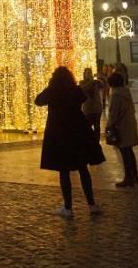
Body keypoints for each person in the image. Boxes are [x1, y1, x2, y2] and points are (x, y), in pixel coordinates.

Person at [35, 66, 105, 218]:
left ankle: (68, 207)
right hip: (78, 130)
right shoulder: (75, 89)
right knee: (83, 168)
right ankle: (92, 204)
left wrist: (51, 88)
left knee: (64, 170)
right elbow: (84, 98)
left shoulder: (52, 90)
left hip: (59, 132)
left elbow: (38, 101)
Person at [107, 71, 138, 187]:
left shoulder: (116, 95)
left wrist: (109, 125)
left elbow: (113, 113)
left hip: (121, 127)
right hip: (129, 124)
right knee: (129, 152)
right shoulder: (126, 92)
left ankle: (129, 177)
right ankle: (134, 176)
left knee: (125, 153)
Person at [79, 67, 104, 142]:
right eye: (88, 73)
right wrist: (91, 82)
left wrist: (101, 78)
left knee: (97, 126)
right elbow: (83, 89)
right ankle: (90, 141)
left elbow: (104, 85)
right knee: (87, 126)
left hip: (97, 108)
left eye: (90, 72)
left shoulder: (96, 82)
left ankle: (96, 141)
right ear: (84, 74)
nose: (89, 74)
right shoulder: (82, 82)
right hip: (87, 109)